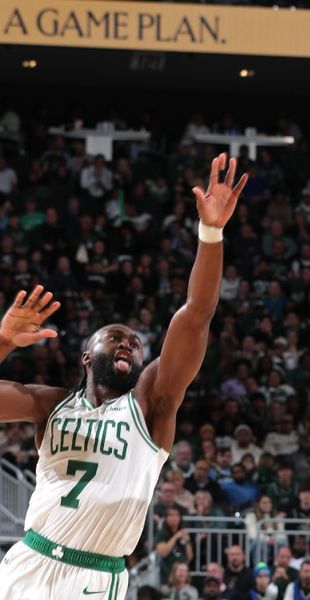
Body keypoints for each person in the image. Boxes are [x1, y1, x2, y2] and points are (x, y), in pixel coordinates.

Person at [0, 153, 247, 599]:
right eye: (115, 337)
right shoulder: (50, 404)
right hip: (27, 562)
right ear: (85, 356)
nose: (128, 345)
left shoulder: (151, 404)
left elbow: (195, 316)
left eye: (135, 343)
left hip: (92, 575)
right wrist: (1, 342)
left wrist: (211, 233)